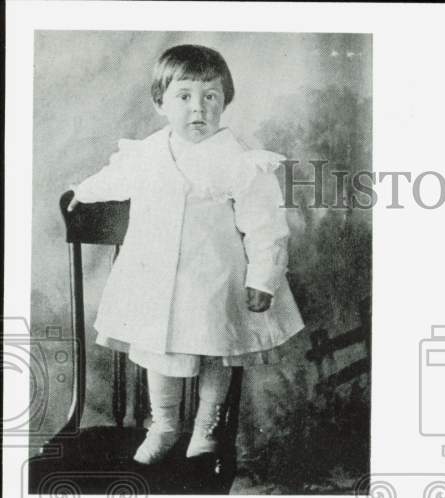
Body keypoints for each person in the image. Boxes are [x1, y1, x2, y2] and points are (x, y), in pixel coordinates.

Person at [68, 44, 304, 464]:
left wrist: (262, 279)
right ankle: (164, 425)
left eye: (210, 96)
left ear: (224, 102)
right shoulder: (146, 155)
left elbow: (266, 226)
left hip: (214, 280)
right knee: (159, 352)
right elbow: (113, 180)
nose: (199, 108)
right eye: (185, 96)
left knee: (217, 352)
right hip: (156, 281)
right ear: (160, 102)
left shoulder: (238, 160)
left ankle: (207, 427)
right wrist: (83, 192)